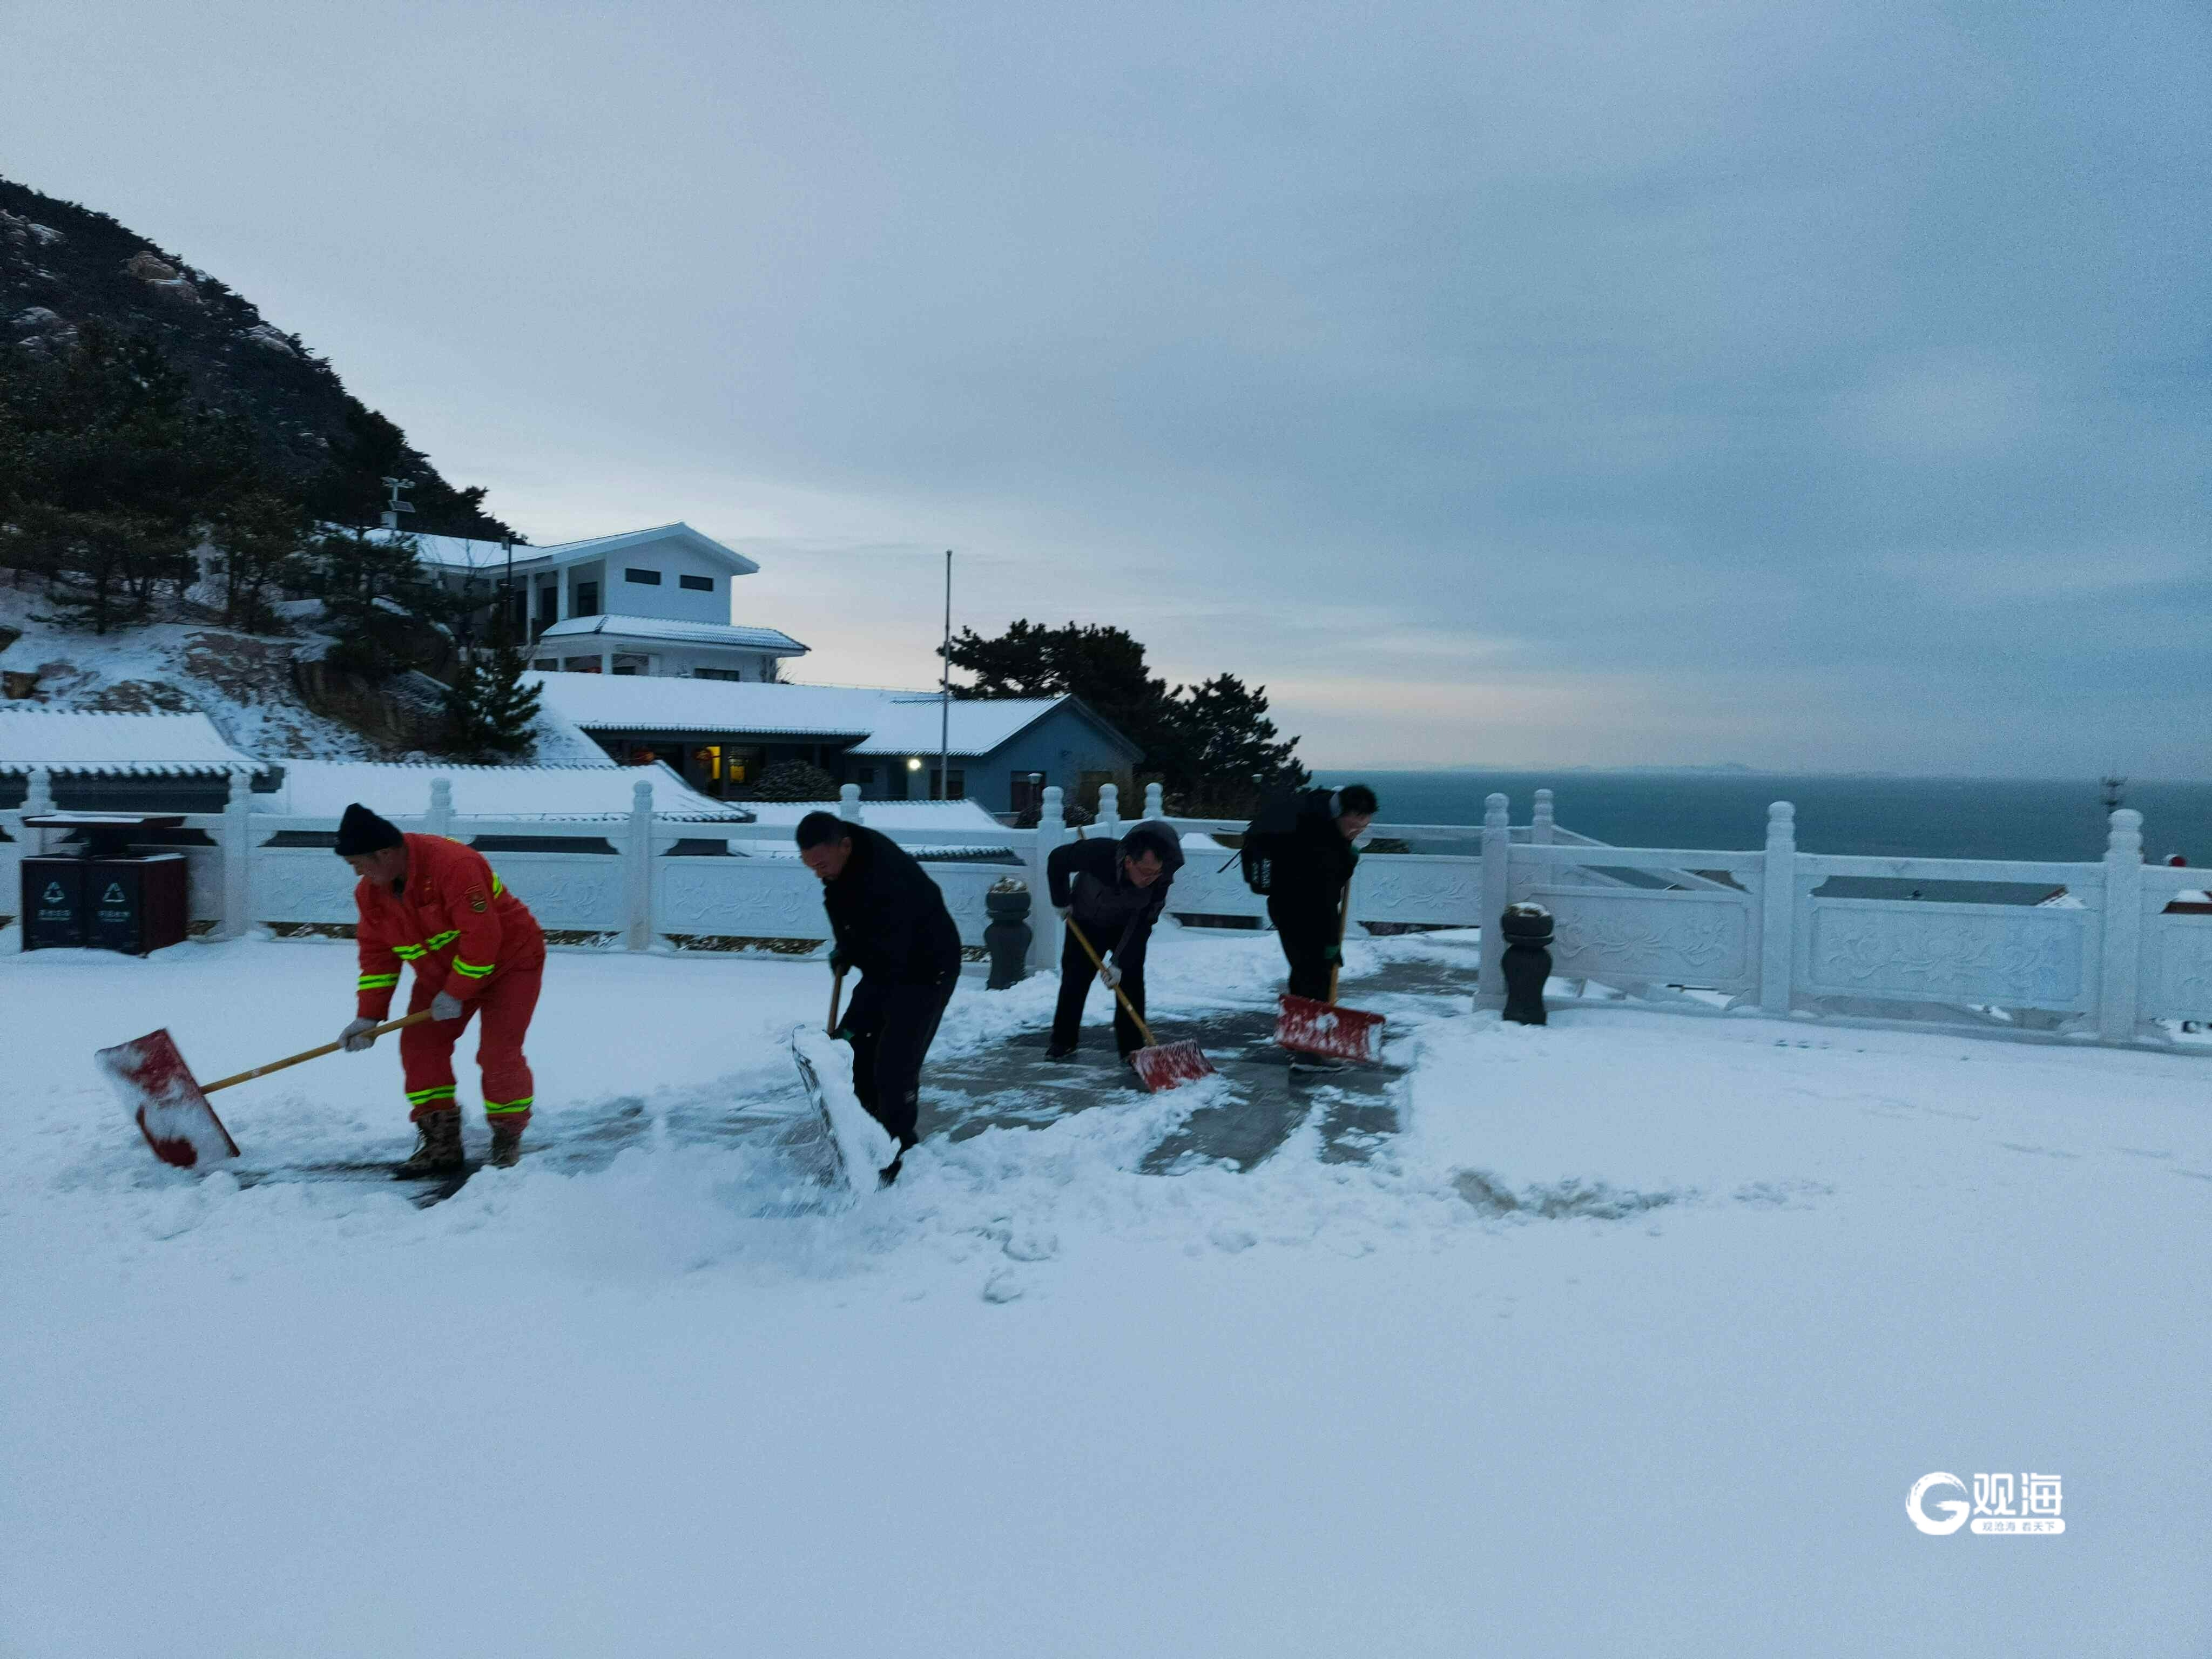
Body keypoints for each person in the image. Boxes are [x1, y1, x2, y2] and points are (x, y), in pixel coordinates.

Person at [333, 803, 548, 1174]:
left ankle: (507, 1136)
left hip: (510, 964)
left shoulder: (454, 865)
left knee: (498, 1053)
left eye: (358, 863)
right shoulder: (371, 895)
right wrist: (368, 1016)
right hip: (441, 975)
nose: (357, 873)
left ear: (384, 854)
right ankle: (441, 1142)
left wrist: (458, 992)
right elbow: (378, 958)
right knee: (420, 1045)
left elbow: (484, 937)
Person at [797, 811, 962, 1183]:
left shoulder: (886, 876)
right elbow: (845, 911)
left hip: (926, 968)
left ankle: (895, 1153)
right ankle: (863, 1138)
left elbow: (894, 949)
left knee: (893, 1064)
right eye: (811, 867)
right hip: (886, 965)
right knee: (851, 1051)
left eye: (822, 864)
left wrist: (856, 954)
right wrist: (845, 947)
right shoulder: (840, 868)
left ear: (845, 846)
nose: (819, 873)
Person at [1044, 820, 1184, 1063]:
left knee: (1131, 981)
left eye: (1157, 873)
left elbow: (1144, 924)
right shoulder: (1098, 853)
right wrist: (1061, 900)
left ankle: (1132, 1050)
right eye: (1146, 872)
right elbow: (1057, 859)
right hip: (1085, 920)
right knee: (1075, 979)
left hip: (1127, 926)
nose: (1152, 879)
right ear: (1129, 861)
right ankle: (1063, 1042)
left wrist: (1119, 963)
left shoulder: (1160, 881)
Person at [1266, 784, 1377, 1001]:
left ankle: (1304, 1022)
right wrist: (1332, 943)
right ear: (1337, 814)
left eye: (1362, 829)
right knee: (1315, 976)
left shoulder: (1317, 821)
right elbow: (1324, 899)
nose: (1355, 833)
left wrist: (1348, 854)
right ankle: (1311, 1023)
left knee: (1305, 972)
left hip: (1286, 905)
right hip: (1298, 912)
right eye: (1352, 827)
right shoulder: (1322, 845)